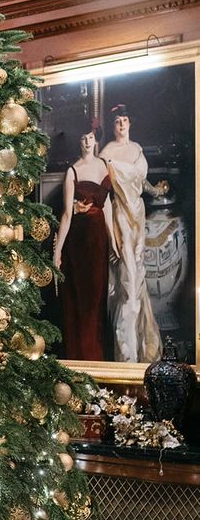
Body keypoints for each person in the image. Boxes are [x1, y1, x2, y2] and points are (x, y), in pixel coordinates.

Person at [100, 104, 166, 363]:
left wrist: (157, 191)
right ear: (113, 124)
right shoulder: (107, 153)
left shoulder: (137, 149)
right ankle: (125, 355)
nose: (121, 124)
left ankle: (140, 348)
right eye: (117, 120)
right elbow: (103, 191)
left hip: (138, 214)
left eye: (125, 120)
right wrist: (110, 234)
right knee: (127, 281)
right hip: (121, 217)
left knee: (138, 276)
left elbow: (142, 182)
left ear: (130, 123)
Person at [54, 128, 115, 360]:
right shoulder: (72, 171)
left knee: (96, 302)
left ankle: (97, 359)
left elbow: (107, 206)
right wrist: (58, 251)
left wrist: (113, 240)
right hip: (78, 244)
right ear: (78, 141)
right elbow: (66, 214)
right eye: (83, 137)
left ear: (95, 140)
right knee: (80, 301)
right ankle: (80, 359)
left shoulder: (104, 165)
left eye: (91, 137)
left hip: (98, 243)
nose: (88, 141)